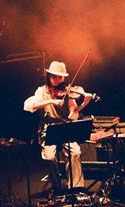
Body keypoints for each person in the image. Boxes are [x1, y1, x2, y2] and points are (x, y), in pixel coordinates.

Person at [23, 60, 93, 192]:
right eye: (54, 76)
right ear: (49, 76)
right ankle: (56, 187)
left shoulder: (68, 92)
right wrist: (51, 101)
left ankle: (76, 188)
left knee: (75, 152)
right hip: (48, 130)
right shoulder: (41, 91)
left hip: (65, 128)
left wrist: (84, 103)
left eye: (60, 77)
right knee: (49, 157)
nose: (57, 80)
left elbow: (73, 115)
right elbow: (28, 106)